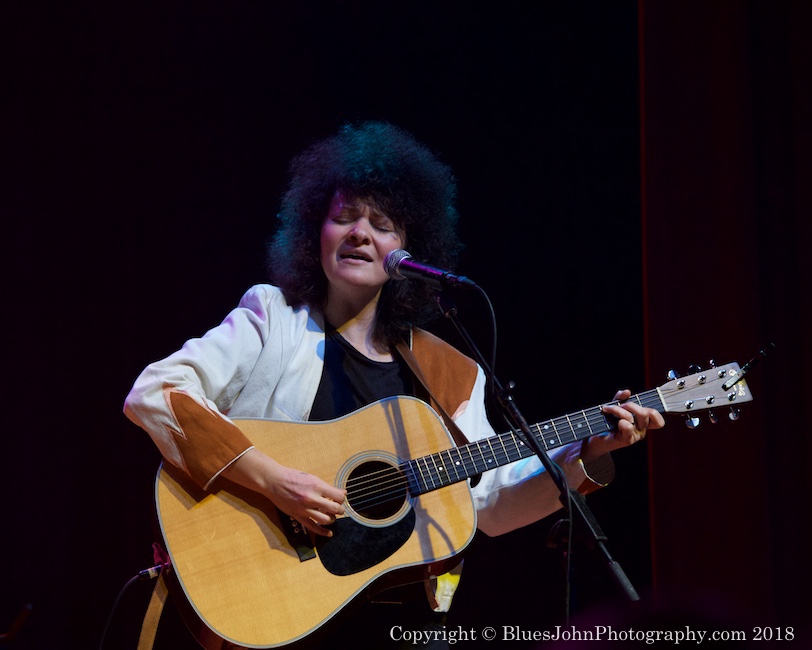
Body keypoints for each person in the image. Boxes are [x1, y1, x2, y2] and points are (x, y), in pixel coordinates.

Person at [123, 121, 664, 649]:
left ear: (409, 250)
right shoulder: (273, 317)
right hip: (277, 599)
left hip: (399, 622)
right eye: (344, 217)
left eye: (383, 224)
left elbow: (490, 502)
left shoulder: (450, 369)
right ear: (316, 232)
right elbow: (157, 393)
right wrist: (274, 481)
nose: (360, 232)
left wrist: (591, 447)